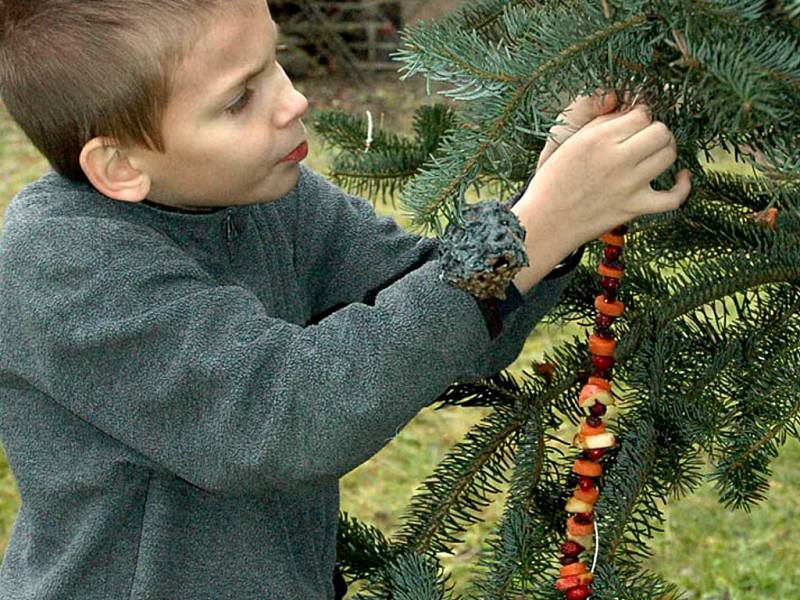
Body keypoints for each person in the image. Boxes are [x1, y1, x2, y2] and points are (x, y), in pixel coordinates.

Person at [0, 1, 691, 598]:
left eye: (275, 61)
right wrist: (535, 230)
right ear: (120, 165)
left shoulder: (276, 198)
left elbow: (451, 311)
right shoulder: (62, 263)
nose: (292, 100)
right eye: (240, 99)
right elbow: (285, 415)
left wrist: (550, 192)